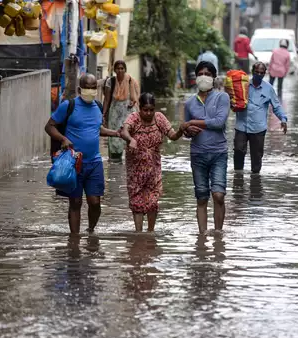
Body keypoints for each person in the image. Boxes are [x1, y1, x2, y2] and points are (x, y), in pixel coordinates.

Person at [45, 74, 121, 235]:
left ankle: (90, 231)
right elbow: (49, 126)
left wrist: (116, 133)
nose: (91, 90)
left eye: (94, 87)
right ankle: (74, 241)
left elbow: (96, 129)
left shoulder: (98, 107)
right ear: (80, 89)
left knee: (95, 203)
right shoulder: (68, 106)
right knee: (76, 202)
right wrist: (63, 138)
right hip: (73, 163)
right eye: (87, 87)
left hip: (94, 163)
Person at [121, 93, 190, 232]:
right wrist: (131, 140)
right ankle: (139, 234)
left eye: (151, 109)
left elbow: (172, 135)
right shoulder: (133, 118)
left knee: (152, 201)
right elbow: (124, 131)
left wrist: (181, 131)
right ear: (139, 108)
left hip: (153, 166)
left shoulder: (159, 118)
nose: (148, 113)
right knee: (137, 200)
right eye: (145, 110)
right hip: (135, 168)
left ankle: (150, 232)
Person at [183, 61, 231, 235]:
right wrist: (188, 130)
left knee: (218, 195)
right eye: (201, 74)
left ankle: (218, 234)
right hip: (198, 154)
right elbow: (185, 132)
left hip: (218, 153)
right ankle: (202, 236)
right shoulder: (189, 103)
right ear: (196, 78)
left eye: (208, 74)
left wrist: (193, 122)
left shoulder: (222, 97)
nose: (204, 77)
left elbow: (219, 123)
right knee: (201, 197)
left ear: (214, 77)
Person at [234, 62, 288, 174]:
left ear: (265, 74)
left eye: (261, 73)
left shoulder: (268, 89)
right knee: (238, 150)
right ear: (252, 72)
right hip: (241, 125)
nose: (259, 74)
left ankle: (255, 184)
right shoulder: (243, 86)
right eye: (256, 72)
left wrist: (283, 119)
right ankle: (237, 179)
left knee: (257, 157)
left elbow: (276, 106)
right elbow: (232, 99)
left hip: (258, 128)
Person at [103, 60, 140, 162]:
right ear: (114, 70)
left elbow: (135, 98)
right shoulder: (110, 82)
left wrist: (133, 103)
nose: (120, 70)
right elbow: (106, 99)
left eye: (122, 68)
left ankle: (130, 160)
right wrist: (104, 113)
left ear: (125, 69)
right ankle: (115, 161)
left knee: (129, 136)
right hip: (114, 113)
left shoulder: (130, 81)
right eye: (118, 68)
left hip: (127, 113)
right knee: (115, 137)